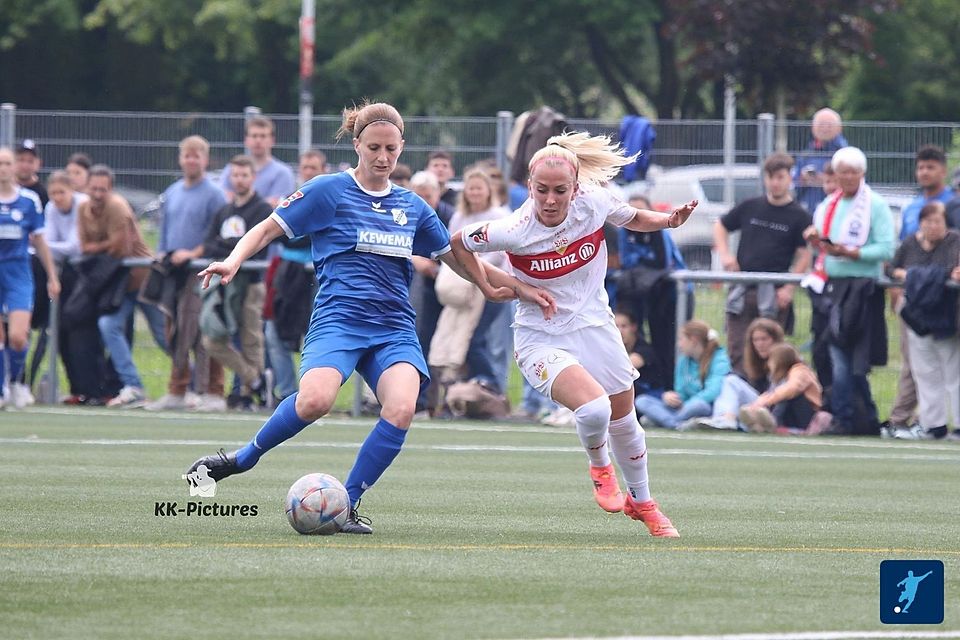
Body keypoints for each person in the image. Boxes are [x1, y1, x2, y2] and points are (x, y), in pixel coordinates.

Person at [186, 101, 553, 534]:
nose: (383, 157)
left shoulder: (413, 207)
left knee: (401, 409)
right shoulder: (327, 191)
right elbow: (268, 227)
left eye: (391, 149)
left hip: (394, 327)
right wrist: (232, 260)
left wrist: (519, 287)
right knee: (314, 401)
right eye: (374, 147)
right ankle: (242, 459)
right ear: (357, 144)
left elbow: (460, 258)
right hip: (338, 320)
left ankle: (347, 504)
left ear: (402, 148)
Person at [454, 131, 699, 536]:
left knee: (626, 420)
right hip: (541, 337)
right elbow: (458, 244)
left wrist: (668, 221)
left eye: (560, 191)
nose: (550, 200)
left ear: (576, 187)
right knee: (594, 409)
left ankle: (643, 502)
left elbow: (632, 217)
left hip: (596, 326)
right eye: (541, 190)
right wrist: (503, 286)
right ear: (529, 187)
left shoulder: (594, 202)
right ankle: (601, 468)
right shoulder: (514, 228)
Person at [802, 146, 895, 435]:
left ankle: (861, 417)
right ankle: (848, 418)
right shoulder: (828, 205)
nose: (849, 178)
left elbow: (887, 247)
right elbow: (822, 244)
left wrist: (852, 253)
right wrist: (816, 240)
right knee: (837, 357)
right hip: (833, 288)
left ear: (862, 174)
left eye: (854, 172)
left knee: (856, 364)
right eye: (843, 172)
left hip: (863, 289)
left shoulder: (875, 205)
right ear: (837, 175)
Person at [146, 136, 227, 412]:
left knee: (204, 330)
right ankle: (177, 389)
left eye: (197, 156)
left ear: (205, 159)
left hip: (202, 271)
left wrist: (194, 253)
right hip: (174, 272)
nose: (191, 161)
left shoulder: (215, 194)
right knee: (174, 329)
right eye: (187, 156)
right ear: (180, 159)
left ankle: (213, 390)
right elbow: (165, 232)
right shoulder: (172, 192)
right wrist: (162, 254)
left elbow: (218, 235)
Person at [714, 152, 811, 371]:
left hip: (773, 294)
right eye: (770, 177)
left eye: (780, 177)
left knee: (772, 352)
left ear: (789, 178)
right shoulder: (750, 206)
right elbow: (720, 226)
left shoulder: (799, 215)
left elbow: (805, 254)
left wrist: (788, 288)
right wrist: (726, 255)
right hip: (743, 289)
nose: (774, 183)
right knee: (737, 350)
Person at [886, 145, 956, 434]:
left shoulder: (953, 220)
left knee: (953, 370)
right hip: (915, 309)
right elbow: (894, 264)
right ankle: (932, 424)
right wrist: (902, 280)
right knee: (920, 370)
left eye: (931, 167)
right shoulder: (912, 218)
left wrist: (910, 274)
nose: (931, 225)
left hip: (947, 311)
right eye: (921, 167)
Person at [77, 164, 157, 407]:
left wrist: (100, 246)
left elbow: (119, 248)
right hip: (119, 281)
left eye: (103, 189)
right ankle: (133, 386)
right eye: (94, 189)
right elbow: (84, 246)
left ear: (111, 189)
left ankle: (192, 385)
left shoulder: (118, 207)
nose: (98, 194)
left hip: (142, 276)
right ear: (87, 188)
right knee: (108, 324)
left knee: (165, 335)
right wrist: (106, 245)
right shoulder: (83, 208)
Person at [200, 155, 273, 407]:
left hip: (251, 283)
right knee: (212, 338)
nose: (239, 180)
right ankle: (255, 380)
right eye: (236, 175)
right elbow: (210, 244)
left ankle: (250, 395)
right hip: (223, 286)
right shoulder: (224, 211)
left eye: (245, 175)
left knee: (252, 338)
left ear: (253, 177)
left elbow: (259, 246)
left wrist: (228, 248)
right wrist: (232, 248)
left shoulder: (263, 210)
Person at [0, 147, 60, 408]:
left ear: (14, 167)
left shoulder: (28, 201)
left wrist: (52, 276)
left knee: (17, 336)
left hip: (18, 274)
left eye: (7, 163)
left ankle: (16, 381)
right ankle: (3, 387)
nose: (3, 168)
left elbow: (40, 240)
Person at [616, 193, 690, 378]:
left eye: (641, 210)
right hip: (642, 291)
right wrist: (642, 262)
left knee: (668, 340)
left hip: (671, 292)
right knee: (635, 336)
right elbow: (626, 261)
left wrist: (641, 262)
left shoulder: (659, 230)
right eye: (633, 211)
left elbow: (662, 262)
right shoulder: (624, 231)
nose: (637, 215)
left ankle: (671, 385)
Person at [685, 317, 785, 431]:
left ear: (775, 339)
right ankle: (731, 421)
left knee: (731, 381)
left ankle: (724, 419)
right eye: (755, 340)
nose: (759, 344)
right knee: (730, 381)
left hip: (774, 411)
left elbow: (785, 394)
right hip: (759, 407)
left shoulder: (786, 359)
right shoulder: (754, 362)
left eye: (764, 339)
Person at [635, 320, 730, 432]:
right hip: (683, 409)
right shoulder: (683, 362)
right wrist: (670, 398)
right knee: (642, 401)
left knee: (698, 405)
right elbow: (681, 393)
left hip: (705, 408)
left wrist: (687, 405)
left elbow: (714, 391)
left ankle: (665, 421)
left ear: (693, 340)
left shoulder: (720, 358)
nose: (678, 344)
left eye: (681, 339)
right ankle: (677, 423)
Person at [738, 343, 825, 434]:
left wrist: (767, 401)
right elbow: (771, 392)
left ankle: (772, 422)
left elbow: (791, 388)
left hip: (806, 416)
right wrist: (756, 404)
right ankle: (758, 423)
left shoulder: (800, 371)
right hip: (789, 415)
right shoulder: (776, 377)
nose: (768, 364)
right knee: (776, 396)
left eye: (770, 360)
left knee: (785, 396)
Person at [220, 116, 296, 207]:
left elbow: (277, 207)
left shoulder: (283, 173)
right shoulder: (231, 169)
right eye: (254, 136)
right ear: (246, 140)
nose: (258, 140)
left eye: (263, 136)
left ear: (272, 140)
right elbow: (224, 200)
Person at [793, 108, 848, 213]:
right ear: (813, 128)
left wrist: (827, 180)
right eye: (821, 124)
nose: (825, 128)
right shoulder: (806, 155)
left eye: (829, 125)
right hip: (809, 210)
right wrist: (803, 179)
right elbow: (794, 187)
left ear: (839, 128)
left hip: (838, 210)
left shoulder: (845, 154)